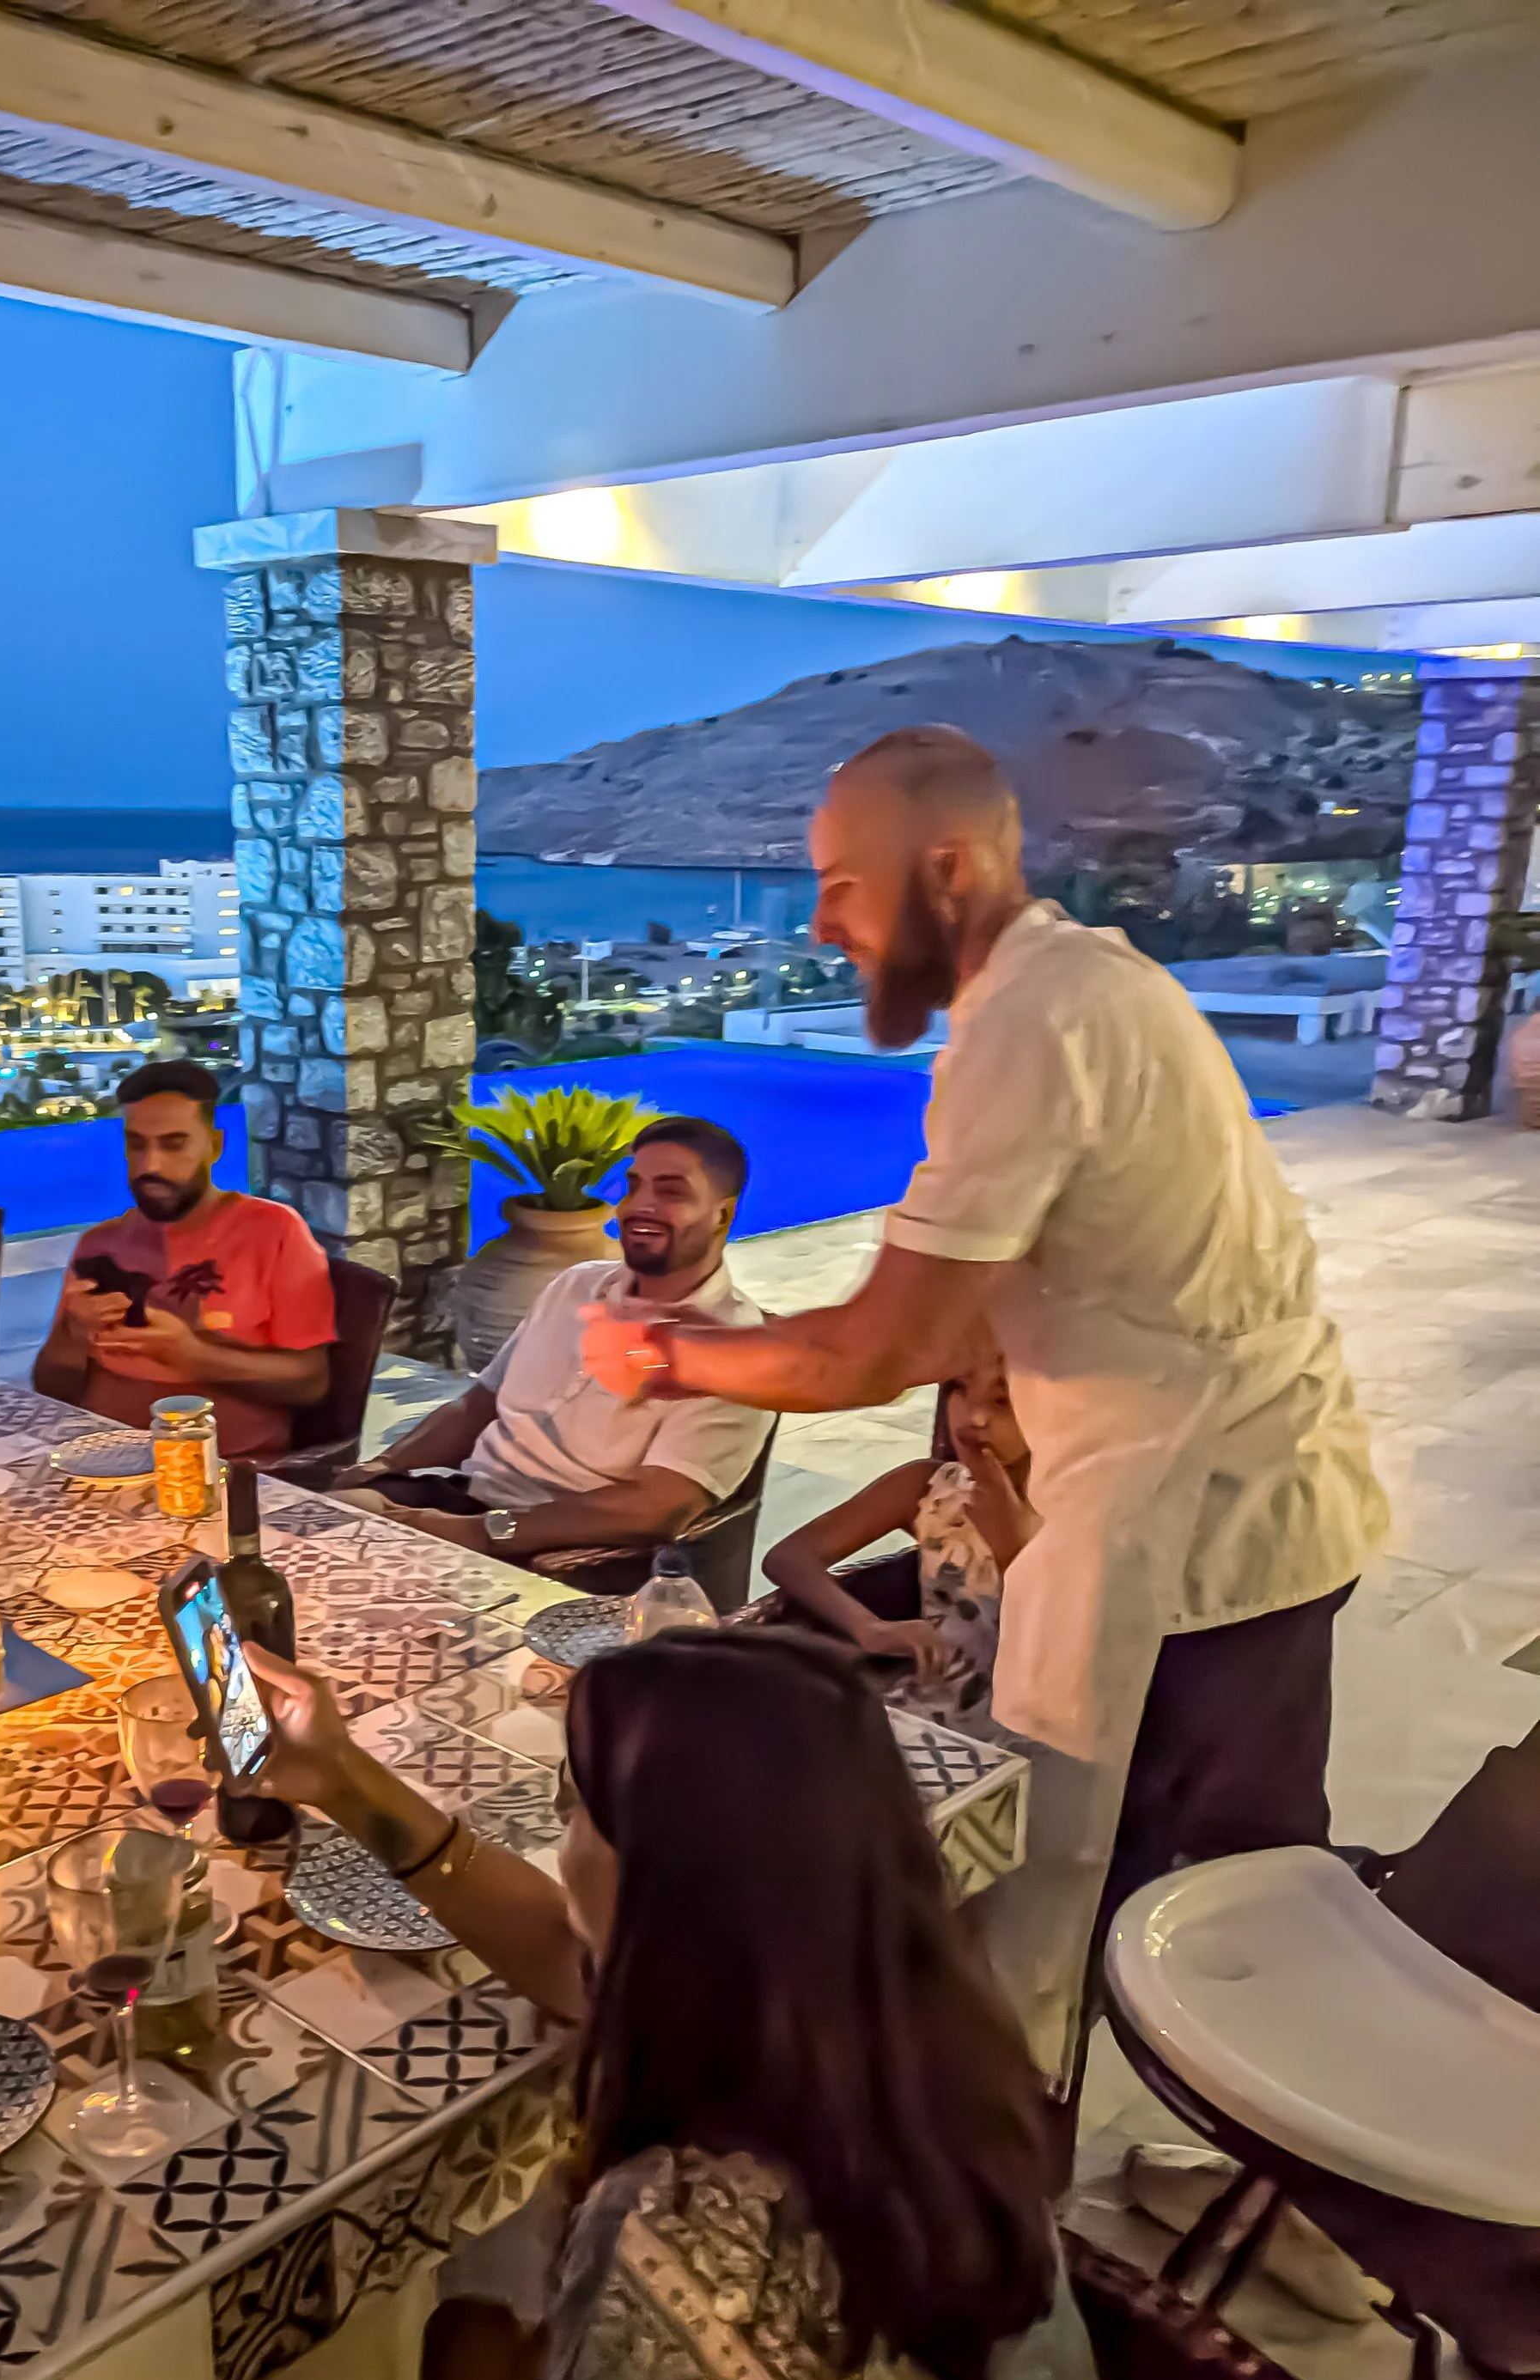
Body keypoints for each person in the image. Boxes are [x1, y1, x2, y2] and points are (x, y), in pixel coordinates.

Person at [242, 1627, 1174, 2380]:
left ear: (670, 1886)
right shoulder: (904, 2028)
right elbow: (584, 1961)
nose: (561, 1844)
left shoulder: (686, 2245)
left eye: (576, 1814)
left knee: (458, 2356)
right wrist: (353, 1785)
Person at [581, 727, 1386, 2066]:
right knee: (1105, 1896)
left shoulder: (1039, 1017)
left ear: (945, 869)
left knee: (1228, 1897)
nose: (822, 920)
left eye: (844, 884)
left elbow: (876, 1351)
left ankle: (1286, 2213)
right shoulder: (1070, 991)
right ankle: (1057, 2190)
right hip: (1153, 1507)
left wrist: (662, 1357)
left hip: (1226, 1533)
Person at [339, 1117, 770, 1566]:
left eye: (671, 1191)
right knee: (310, 1519)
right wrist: (382, 1468)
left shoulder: (736, 1348)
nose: (639, 1206)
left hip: (565, 1548)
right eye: (634, 1186)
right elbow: (481, 1401)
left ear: (722, 1214)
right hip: (465, 1498)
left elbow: (658, 1506)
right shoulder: (575, 1286)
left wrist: (482, 1533)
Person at [32, 1061, 335, 1463]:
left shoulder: (274, 1232)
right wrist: (72, 1336)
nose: (150, 1166)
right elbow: (52, 1389)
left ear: (214, 1146)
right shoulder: (100, 1245)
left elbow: (311, 1382)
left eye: (174, 1144)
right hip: (99, 1464)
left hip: (221, 1473)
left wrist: (192, 1354)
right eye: (137, 1144)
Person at [764, 1337, 1034, 1725]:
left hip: (1024, 1732)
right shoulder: (931, 1488)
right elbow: (789, 1557)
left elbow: (1070, 1652)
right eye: (959, 1389)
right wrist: (868, 1628)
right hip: (925, 1714)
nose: (973, 1417)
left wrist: (1013, 1549)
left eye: (1002, 1400)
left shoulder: (1080, 1518)